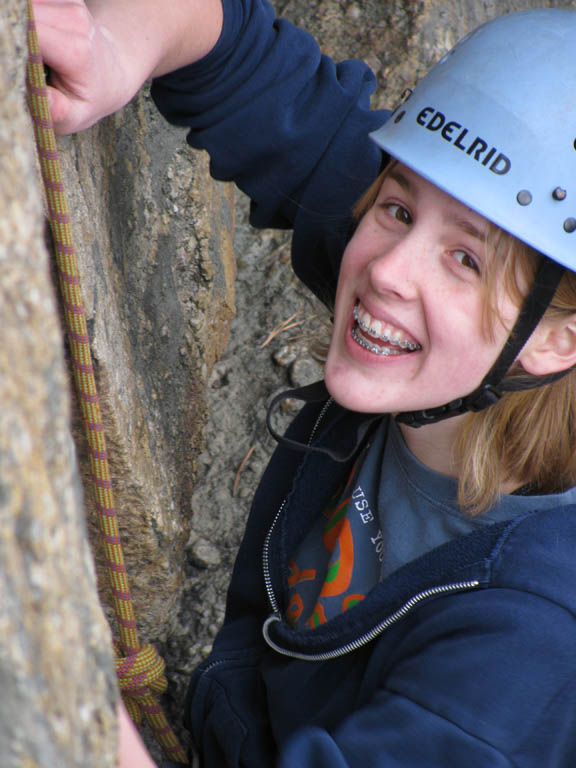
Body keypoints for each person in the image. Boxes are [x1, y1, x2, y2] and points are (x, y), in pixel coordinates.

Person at [34, 0, 576, 765]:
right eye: (396, 207)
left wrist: (57, 670)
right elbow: (234, 52)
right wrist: (111, 43)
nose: (387, 269)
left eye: (466, 261)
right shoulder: (417, 321)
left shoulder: (537, 638)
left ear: (560, 340)